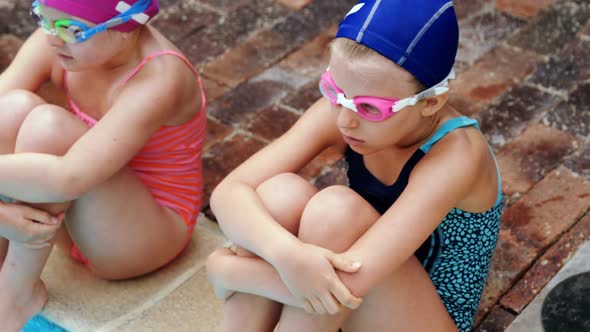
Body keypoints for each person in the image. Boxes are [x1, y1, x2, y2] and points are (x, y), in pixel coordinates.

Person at [206, 1, 503, 331]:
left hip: (424, 318)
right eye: (334, 91)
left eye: (370, 108)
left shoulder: (457, 156)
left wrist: (228, 272)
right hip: (357, 295)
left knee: (336, 213)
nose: (346, 119)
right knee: (278, 194)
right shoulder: (346, 111)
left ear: (430, 102)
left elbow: (345, 288)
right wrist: (286, 254)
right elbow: (230, 191)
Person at [0, 0, 206, 330]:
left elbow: (69, 177)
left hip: (145, 235)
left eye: (71, 29)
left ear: (125, 28)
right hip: (79, 211)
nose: (53, 38)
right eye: (43, 18)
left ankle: (16, 294)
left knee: (48, 128)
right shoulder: (56, 40)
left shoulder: (160, 79)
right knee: (10, 109)